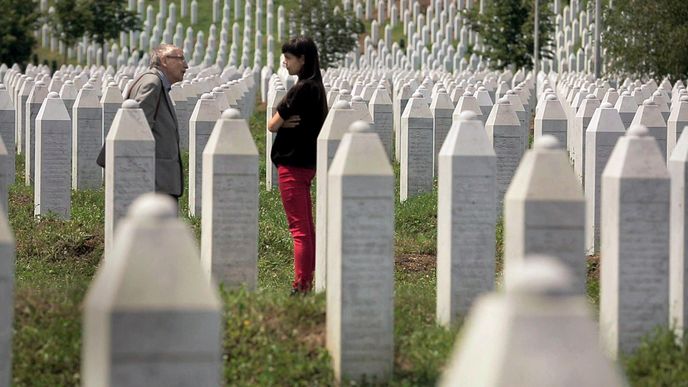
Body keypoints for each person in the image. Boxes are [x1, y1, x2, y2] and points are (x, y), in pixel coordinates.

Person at [268, 37, 328, 294]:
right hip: (307, 163)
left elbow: (272, 124)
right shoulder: (317, 88)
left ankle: (301, 285)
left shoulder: (302, 88)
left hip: (292, 165)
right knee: (306, 227)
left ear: (303, 59)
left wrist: (282, 121)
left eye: (289, 57)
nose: (285, 61)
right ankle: (308, 279)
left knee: (299, 229)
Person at [97, 44, 187, 205]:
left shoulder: (150, 80)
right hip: (154, 179)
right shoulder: (152, 83)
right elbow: (136, 129)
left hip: (155, 177)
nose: (186, 65)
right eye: (181, 59)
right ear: (165, 60)